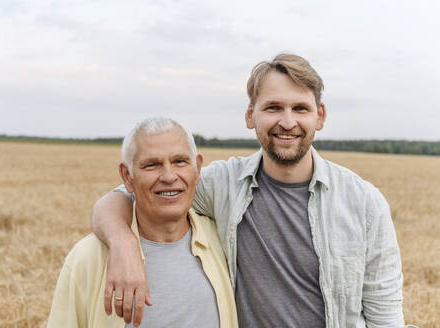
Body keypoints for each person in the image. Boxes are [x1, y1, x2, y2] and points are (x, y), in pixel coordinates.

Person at [92, 53, 406, 327]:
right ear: (249, 115)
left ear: (319, 116)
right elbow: (122, 195)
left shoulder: (363, 203)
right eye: (273, 108)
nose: (287, 121)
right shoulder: (221, 184)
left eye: (300, 108)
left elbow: (385, 316)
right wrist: (123, 243)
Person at [48, 118, 238, 327]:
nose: (168, 176)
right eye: (152, 165)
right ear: (127, 177)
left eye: (180, 161)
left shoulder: (224, 239)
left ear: (198, 168)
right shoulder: (88, 257)